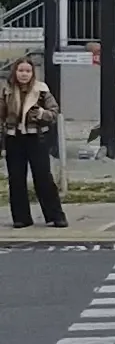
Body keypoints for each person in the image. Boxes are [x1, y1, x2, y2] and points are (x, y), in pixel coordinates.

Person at [3, 57, 65, 228]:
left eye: (28, 71)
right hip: (13, 138)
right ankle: (21, 218)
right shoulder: (7, 90)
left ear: (32, 73)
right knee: (16, 179)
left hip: (36, 138)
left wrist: (41, 114)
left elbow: (54, 112)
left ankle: (55, 216)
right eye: (21, 70)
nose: (24, 74)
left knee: (43, 177)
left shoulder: (41, 89)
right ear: (15, 72)